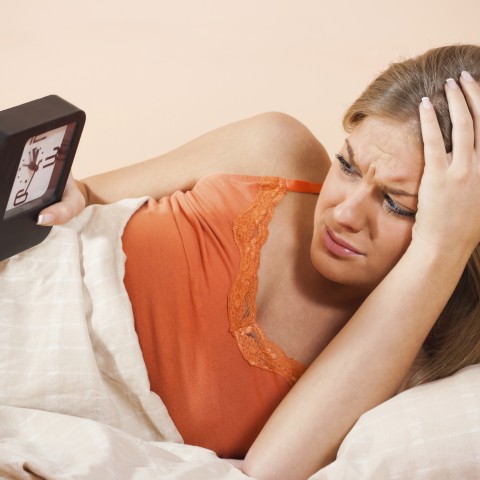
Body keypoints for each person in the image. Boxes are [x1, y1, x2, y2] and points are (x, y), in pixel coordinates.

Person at [37, 44, 480, 479]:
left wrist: (440, 247)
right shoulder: (276, 150)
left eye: (399, 205)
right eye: (347, 165)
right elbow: (89, 195)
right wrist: (64, 190)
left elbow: (270, 470)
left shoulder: (408, 359)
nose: (344, 214)